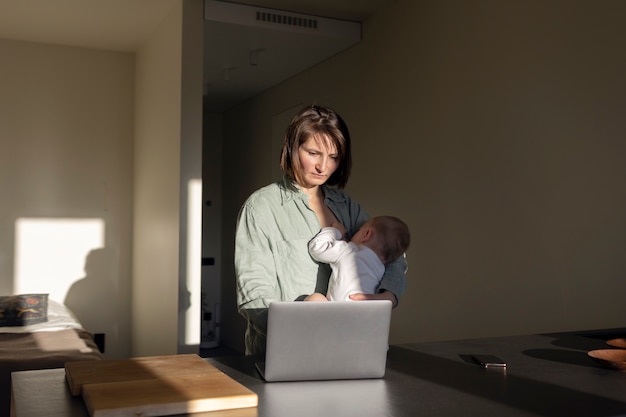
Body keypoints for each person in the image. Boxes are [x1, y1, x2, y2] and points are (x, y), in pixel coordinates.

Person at [234, 104, 407, 356]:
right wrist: (305, 330)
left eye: (334, 157)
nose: (323, 167)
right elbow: (254, 294)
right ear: (293, 149)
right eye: (313, 153)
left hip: (350, 350)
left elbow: (393, 251)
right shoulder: (261, 207)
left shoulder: (346, 205)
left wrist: (388, 296)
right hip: (287, 351)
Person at [306, 216, 410, 302]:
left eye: (358, 231)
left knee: (316, 299)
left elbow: (317, 248)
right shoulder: (382, 269)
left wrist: (335, 231)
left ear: (366, 234)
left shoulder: (349, 250)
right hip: (363, 317)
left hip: (336, 313)